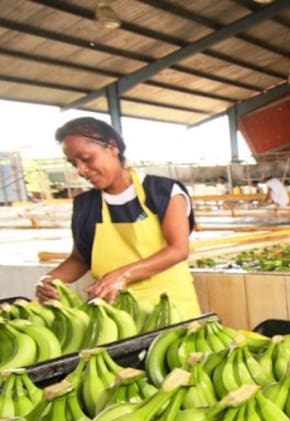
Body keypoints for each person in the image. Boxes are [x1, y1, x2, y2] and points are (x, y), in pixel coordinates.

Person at [35, 117, 202, 319]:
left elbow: (178, 250)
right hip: (114, 315)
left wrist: (122, 275)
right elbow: (80, 259)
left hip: (171, 309)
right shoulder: (85, 205)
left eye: (86, 158)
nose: (81, 170)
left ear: (112, 147)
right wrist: (49, 280)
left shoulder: (162, 192)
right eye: (73, 163)